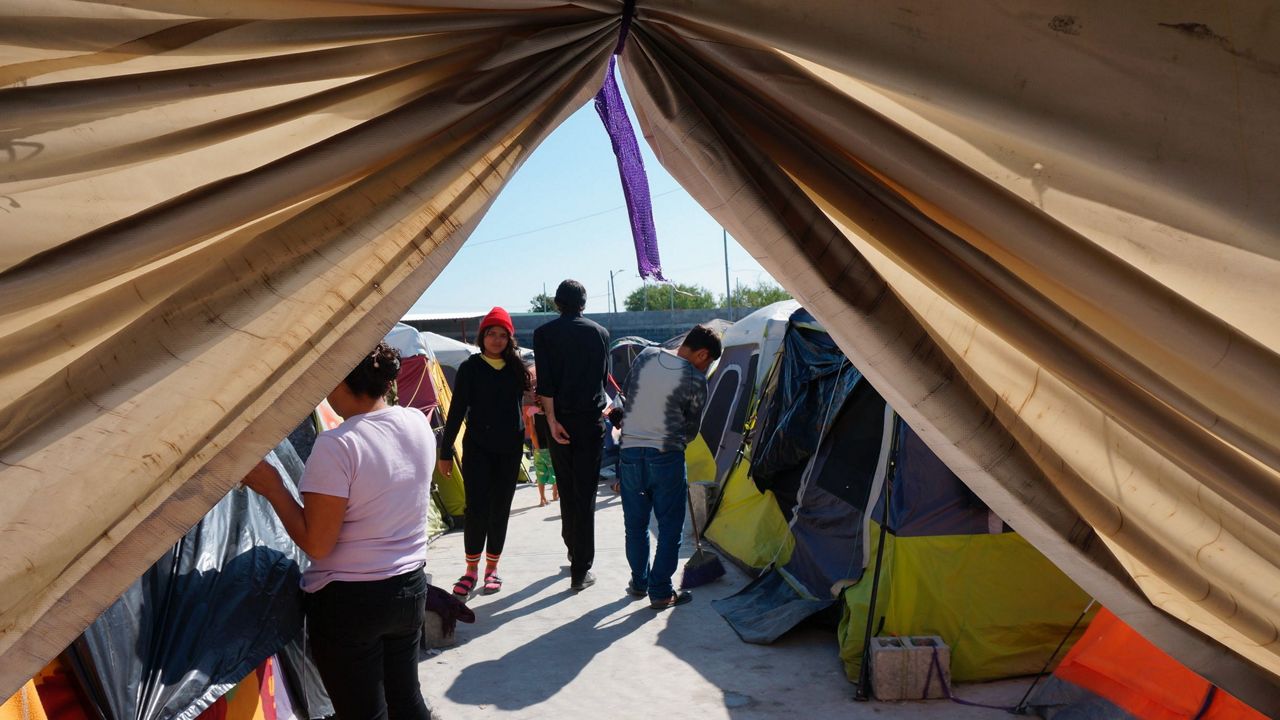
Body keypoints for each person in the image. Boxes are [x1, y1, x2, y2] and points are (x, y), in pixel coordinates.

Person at [242, 342, 434, 720]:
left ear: (340, 383)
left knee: (363, 713)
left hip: (351, 602)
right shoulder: (416, 422)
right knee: (407, 700)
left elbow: (318, 544)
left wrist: (273, 488)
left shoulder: (338, 444)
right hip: (409, 587)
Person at [615, 324, 722, 609]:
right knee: (670, 526)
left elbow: (629, 395)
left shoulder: (646, 355)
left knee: (635, 525)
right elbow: (691, 429)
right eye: (708, 362)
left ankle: (639, 582)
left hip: (629, 455)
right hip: (666, 457)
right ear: (702, 354)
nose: (706, 367)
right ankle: (661, 591)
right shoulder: (694, 378)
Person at [437, 307, 531, 598]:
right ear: (483, 336)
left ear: (509, 339)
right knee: (476, 510)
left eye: (503, 335)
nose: (497, 339)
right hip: (478, 450)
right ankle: (470, 570)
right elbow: (456, 411)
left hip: (509, 451)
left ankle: (492, 569)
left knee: (500, 510)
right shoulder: (470, 368)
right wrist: (445, 450)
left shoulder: (517, 369)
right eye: (492, 333)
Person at [533, 279, 610, 591]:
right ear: (584, 303)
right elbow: (602, 378)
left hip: (559, 422)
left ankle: (572, 548)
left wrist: (551, 421)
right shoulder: (601, 333)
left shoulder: (543, 334)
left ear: (556, 303)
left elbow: (546, 384)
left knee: (566, 487)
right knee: (586, 492)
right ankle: (581, 567)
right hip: (591, 421)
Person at [525, 401, 559, 506]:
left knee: (540, 473)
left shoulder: (531, 411)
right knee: (555, 470)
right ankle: (555, 493)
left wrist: (536, 447)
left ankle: (542, 498)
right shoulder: (551, 409)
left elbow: (532, 432)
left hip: (539, 448)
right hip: (551, 446)